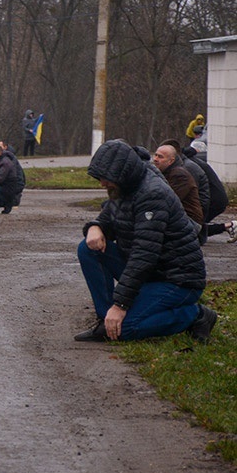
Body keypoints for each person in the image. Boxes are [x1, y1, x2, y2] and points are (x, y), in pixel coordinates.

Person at [74, 139, 217, 343]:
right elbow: (108, 217)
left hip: (178, 280)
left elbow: (144, 254)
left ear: (120, 173)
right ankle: (106, 321)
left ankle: (196, 315)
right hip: (152, 273)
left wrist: (120, 305)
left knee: (127, 328)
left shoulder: (152, 194)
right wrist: (95, 227)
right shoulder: (124, 186)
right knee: (88, 249)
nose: (102, 183)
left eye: (105, 178)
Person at [152, 144, 203, 227]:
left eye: (160, 157)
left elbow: (168, 200)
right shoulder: (162, 172)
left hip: (188, 221)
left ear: (171, 161)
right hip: (177, 217)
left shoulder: (179, 175)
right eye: (155, 155)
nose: (155, 159)